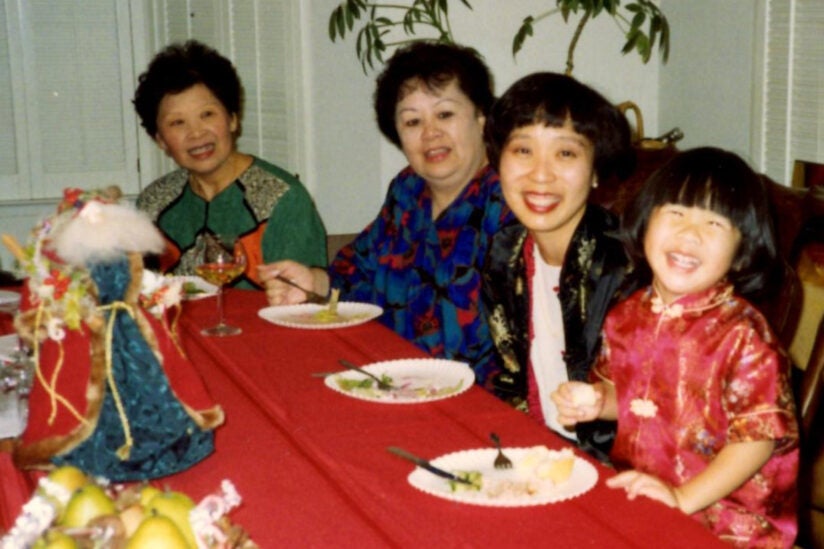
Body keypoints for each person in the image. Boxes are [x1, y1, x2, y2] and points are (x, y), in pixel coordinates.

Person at [552, 147, 799, 547]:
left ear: (741, 253)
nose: (690, 234)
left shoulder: (744, 337)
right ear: (645, 223)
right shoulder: (626, 316)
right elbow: (626, 395)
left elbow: (757, 440)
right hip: (648, 496)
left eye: (714, 223)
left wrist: (682, 500)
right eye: (676, 213)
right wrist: (599, 400)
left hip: (730, 525)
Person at [259, 41, 513, 385]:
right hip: (389, 383)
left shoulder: (513, 202)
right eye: (412, 121)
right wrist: (312, 283)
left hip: (481, 405)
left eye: (445, 114)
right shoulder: (407, 191)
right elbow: (359, 268)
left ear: (481, 118)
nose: (430, 133)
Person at [481, 72, 636, 461]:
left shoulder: (628, 271)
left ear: (596, 169)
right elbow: (512, 379)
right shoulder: (506, 252)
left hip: (621, 474)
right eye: (522, 151)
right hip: (538, 456)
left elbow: (651, 411)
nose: (541, 174)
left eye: (565, 153)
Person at [133, 40, 327, 289]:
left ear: (233, 119)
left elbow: (300, 304)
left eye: (207, 115)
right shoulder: (153, 202)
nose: (196, 133)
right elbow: (143, 295)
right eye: (177, 123)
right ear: (160, 140)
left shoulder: (281, 198)